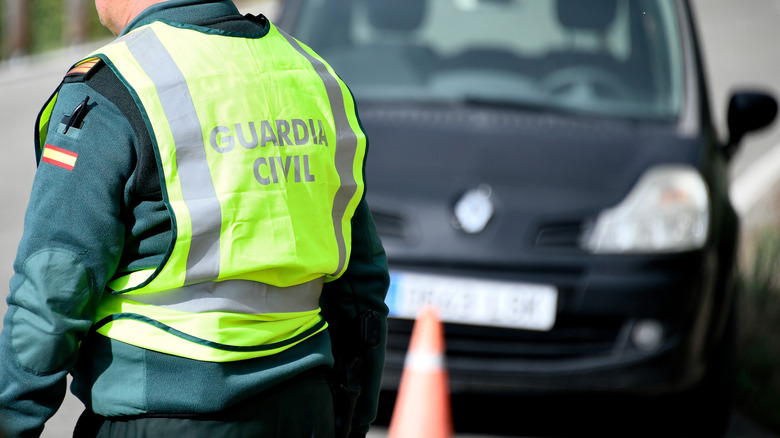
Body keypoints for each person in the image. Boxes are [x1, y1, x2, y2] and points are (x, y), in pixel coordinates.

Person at [0, 0, 389, 437]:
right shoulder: (313, 75)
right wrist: (349, 414)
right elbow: (362, 283)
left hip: (161, 415)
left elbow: (51, 292)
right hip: (304, 409)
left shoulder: (115, 83)